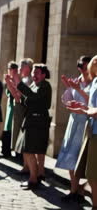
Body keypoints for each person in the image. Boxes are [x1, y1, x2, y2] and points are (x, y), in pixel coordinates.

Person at [5, 64, 52, 190]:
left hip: (38, 121)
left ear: (43, 75)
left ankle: (33, 179)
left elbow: (33, 96)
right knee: (27, 150)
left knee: (29, 150)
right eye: (33, 73)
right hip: (31, 120)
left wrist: (18, 83)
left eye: (37, 73)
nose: (34, 75)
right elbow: (24, 99)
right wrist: (12, 85)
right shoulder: (34, 85)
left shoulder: (45, 85)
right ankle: (34, 176)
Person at [56, 56, 92, 203]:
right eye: (80, 66)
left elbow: (92, 101)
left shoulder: (94, 82)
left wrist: (77, 89)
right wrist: (69, 87)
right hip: (73, 121)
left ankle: (82, 188)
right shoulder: (77, 80)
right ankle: (74, 190)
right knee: (70, 156)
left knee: (82, 158)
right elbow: (66, 100)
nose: (82, 69)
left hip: (85, 122)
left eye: (84, 66)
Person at [66, 55, 97, 208]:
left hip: (90, 126)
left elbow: (93, 106)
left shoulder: (94, 81)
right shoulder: (92, 81)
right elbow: (89, 103)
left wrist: (86, 110)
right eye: (95, 62)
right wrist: (81, 106)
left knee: (90, 170)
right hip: (85, 125)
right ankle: (76, 190)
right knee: (79, 163)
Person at [2, 62, 19, 158]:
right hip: (10, 105)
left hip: (15, 106)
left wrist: (10, 82)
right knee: (7, 127)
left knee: (12, 127)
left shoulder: (16, 79)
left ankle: (13, 151)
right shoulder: (8, 79)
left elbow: (15, 92)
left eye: (11, 69)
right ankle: (6, 150)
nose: (9, 71)